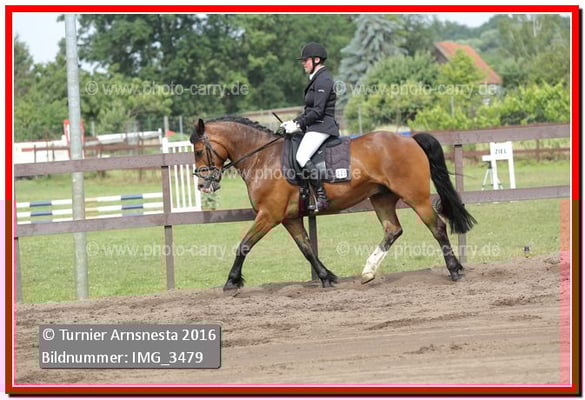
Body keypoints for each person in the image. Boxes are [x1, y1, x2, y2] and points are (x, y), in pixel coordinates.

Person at [280, 42, 340, 212]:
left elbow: (318, 111)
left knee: (301, 156)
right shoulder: (317, 79)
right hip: (315, 126)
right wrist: (293, 122)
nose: (303, 63)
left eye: (305, 60)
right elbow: (309, 111)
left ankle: (322, 197)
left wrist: (298, 124)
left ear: (316, 60)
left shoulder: (324, 79)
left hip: (323, 126)